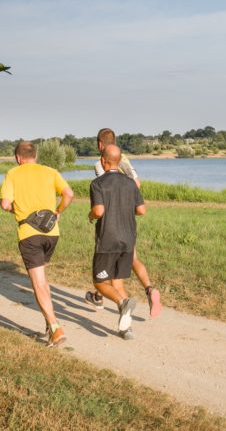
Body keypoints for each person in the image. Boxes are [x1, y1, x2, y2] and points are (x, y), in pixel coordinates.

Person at [0, 140, 74, 347]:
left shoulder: (13, 173)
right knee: (42, 280)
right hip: (52, 234)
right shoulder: (50, 171)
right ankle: (49, 324)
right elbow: (69, 194)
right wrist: (57, 212)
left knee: (38, 283)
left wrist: (15, 209)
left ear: (17, 157)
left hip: (29, 234)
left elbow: (5, 204)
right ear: (35, 156)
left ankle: (55, 327)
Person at [84, 127, 162, 317]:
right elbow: (137, 184)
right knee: (124, 268)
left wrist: (92, 215)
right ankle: (148, 290)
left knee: (106, 275)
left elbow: (104, 195)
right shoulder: (124, 159)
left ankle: (103, 297)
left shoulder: (99, 166)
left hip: (111, 226)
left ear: (100, 146)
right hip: (127, 223)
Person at [88, 144, 147, 339]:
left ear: (103, 162)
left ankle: (123, 303)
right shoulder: (131, 183)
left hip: (108, 240)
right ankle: (125, 328)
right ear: (119, 162)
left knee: (100, 282)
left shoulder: (98, 183)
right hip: (128, 239)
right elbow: (141, 210)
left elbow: (98, 211)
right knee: (117, 282)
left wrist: (90, 215)